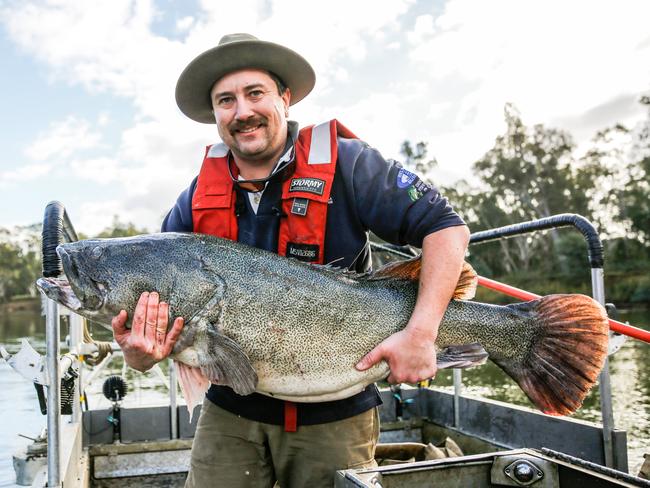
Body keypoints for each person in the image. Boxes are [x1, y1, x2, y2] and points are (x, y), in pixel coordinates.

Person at [111, 33, 470, 487]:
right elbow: (160, 338)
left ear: (284, 98)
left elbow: (447, 229)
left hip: (336, 415)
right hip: (230, 414)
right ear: (216, 115)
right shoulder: (195, 200)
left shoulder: (349, 164)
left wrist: (420, 334)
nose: (242, 111)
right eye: (226, 100)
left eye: (254, 93)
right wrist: (141, 356)